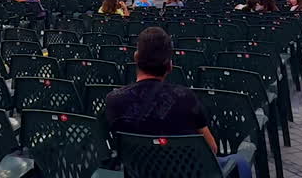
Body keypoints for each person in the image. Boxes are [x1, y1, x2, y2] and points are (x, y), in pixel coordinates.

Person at [106, 28, 252, 178]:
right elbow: (212, 149)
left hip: (139, 172)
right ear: (170, 65)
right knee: (240, 160)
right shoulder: (185, 97)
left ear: (136, 58)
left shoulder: (113, 100)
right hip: (189, 172)